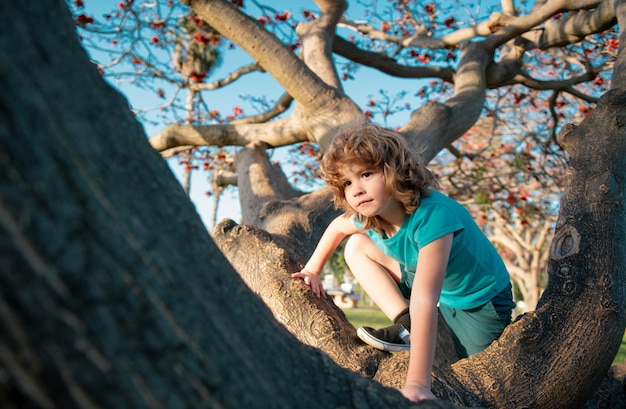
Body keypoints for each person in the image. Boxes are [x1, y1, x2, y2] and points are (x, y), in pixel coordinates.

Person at [292, 122, 515, 402]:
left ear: (394, 172)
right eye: (348, 183)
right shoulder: (371, 216)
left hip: (479, 301)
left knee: (486, 382)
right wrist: (312, 270)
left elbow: (424, 298)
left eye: (366, 174)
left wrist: (418, 384)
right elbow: (337, 227)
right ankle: (405, 324)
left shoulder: (434, 216)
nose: (357, 189)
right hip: (430, 281)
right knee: (358, 246)